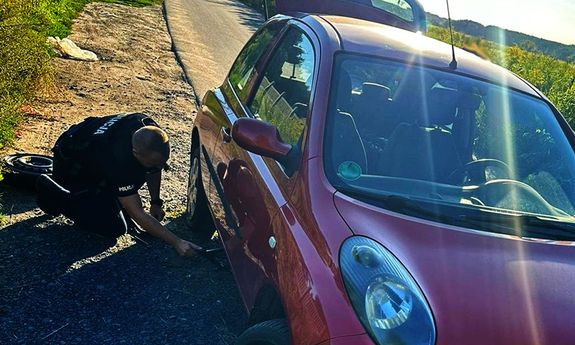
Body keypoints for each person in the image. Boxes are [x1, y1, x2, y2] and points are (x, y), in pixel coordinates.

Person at [36, 112, 199, 257]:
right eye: (153, 163)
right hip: (70, 166)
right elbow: (136, 212)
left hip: (92, 154)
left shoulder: (147, 129)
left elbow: (154, 168)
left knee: (141, 170)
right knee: (114, 227)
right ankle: (56, 193)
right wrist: (177, 242)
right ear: (134, 152)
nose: (158, 167)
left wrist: (156, 202)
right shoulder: (118, 160)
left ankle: (100, 190)